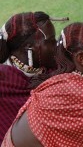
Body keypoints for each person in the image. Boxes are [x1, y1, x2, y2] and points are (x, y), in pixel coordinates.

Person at [0, 11, 64, 142]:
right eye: (50, 41)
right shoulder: (4, 85)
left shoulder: (59, 66)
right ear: (29, 48)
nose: (57, 45)